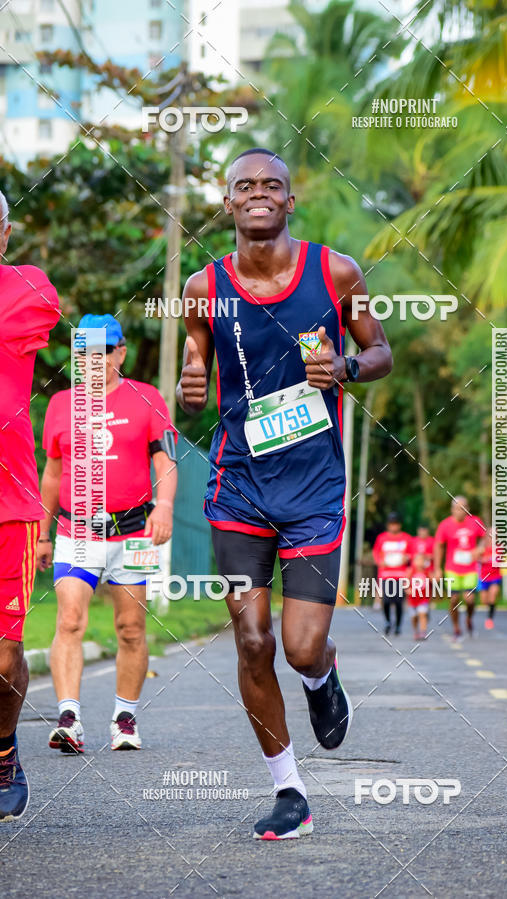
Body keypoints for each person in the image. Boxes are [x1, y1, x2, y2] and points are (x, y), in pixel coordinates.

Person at [176, 148, 392, 839]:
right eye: (246, 186)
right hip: (237, 486)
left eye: (273, 185)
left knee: (298, 648)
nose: (259, 194)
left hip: (312, 488)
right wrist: (190, 383)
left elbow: (381, 350)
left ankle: (320, 675)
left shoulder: (336, 272)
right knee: (249, 640)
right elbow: (196, 358)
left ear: (290, 201)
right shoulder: (200, 286)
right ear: (230, 201)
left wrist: (349, 366)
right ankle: (288, 788)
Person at [37, 314, 177, 753]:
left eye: (102, 353)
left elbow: (166, 461)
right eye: (84, 355)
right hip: (75, 531)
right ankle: (69, 718)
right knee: (71, 620)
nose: (93, 362)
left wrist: (166, 506)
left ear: (120, 353)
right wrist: (43, 534)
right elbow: (53, 474)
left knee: (131, 628)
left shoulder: (146, 398)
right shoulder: (61, 404)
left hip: (132, 533)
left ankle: (125, 719)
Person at [0, 190, 60, 821]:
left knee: (2, 654)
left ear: (6, 233)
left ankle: (1, 749)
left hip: (8, 503)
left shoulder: (25, 289)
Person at [433, 496, 486, 638]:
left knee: (469, 599)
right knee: (454, 599)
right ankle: (456, 626)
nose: (460, 511)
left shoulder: (475, 522)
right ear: (452, 510)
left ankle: (469, 618)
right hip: (452, 568)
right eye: (457, 508)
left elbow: (486, 537)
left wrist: (479, 548)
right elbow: (439, 546)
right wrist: (437, 568)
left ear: (467, 509)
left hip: (470, 568)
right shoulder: (445, 525)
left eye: (463, 508)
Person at [372, 513, 413, 635]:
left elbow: (412, 554)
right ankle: (388, 621)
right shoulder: (382, 538)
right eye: (391, 524)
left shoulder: (406, 538)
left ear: (399, 525)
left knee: (399, 601)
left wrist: (407, 558)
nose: (393, 526)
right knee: (386, 600)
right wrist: (380, 562)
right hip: (386, 574)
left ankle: (398, 625)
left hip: (401, 575)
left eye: (395, 524)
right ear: (388, 525)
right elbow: (376, 553)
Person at [477, 529, 502, 630]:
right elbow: (475, 557)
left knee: (492, 596)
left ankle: (490, 619)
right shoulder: (482, 547)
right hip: (483, 577)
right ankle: (491, 607)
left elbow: (504, 559)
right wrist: (482, 559)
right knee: (484, 600)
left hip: (495, 576)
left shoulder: (499, 547)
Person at [407, 553, 430, 640]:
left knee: (422, 614)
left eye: (422, 560)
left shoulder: (427, 571)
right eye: (417, 560)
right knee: (414, 617)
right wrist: (407, 589)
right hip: (412, 599)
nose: (420, 562)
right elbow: (405, 581)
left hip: (423, 599)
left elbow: (433, 580)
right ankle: (416, 631)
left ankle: (423, 632)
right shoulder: (411, 571)